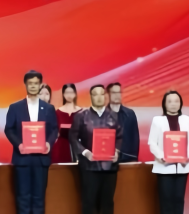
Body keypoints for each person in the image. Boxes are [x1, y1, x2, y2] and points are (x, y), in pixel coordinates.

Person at [4, 71, 59, 214]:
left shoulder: (49, 108)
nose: (33, 86)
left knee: (39, 198)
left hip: (41, 160)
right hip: (22, 159)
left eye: (36, 83)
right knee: (23, 197)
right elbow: (9, 129)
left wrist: (49, 143)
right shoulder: (15, 107)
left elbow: (54, 129)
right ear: (25, 85)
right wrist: (19, 144)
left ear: (40, 85)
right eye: (30, 83)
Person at [70, 85, 123, 214]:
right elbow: (73, 138)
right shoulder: (81, 116)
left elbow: (120, 137)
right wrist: (85, 152)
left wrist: (116, 152)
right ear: (91, 97)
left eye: (101, 94)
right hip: (89, 167)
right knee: (89, 202)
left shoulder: (114, 116)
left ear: (105, 96)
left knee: (107, 203)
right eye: (95, 94)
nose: (99, 97)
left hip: (109, 167)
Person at [148, 91, 189, 214]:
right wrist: (162, 157)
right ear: (164, 104)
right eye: (169, 101)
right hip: (164, 167)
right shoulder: (157, 120)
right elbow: (152, 142)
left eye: (176, 101)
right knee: (166, 200)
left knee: (179, 199)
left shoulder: (187, 120)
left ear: (180, 103)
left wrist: (187, 157)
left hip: (182, 167)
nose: (173, 104)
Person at [107, 83, 139, 162]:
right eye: (114, 93)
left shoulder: (130, 113)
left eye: (119, 92)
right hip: (108, 159)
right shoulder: (103, 114)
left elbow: (135, 138)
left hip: (127, 158)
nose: (117, 95)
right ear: (108, 94)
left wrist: (134, 158)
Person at [51, 84, 81, 164]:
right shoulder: (57, 112)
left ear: (75, 94)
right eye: (67, 93)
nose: (69, 95)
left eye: (71, 92)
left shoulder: (82, 112)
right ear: (63, 95)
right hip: (61, 145)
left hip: (77, 146)